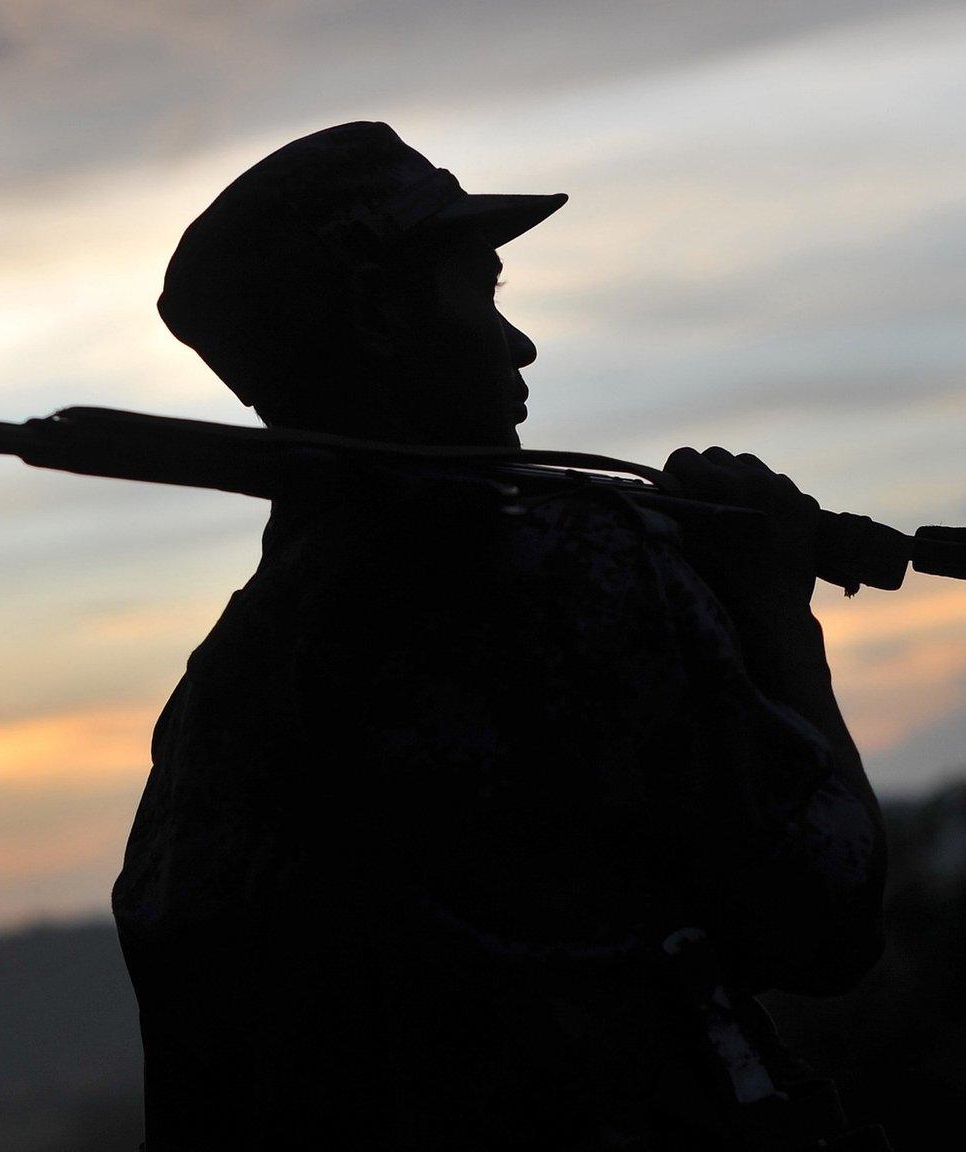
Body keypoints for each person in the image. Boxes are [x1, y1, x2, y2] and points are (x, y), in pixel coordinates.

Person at [113, 121, 887, 1150]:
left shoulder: (223, 689)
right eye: (481, 291)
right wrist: (773, 619)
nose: (514, 342)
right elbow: (822, 917)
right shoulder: (583, 569)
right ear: (385, 314)